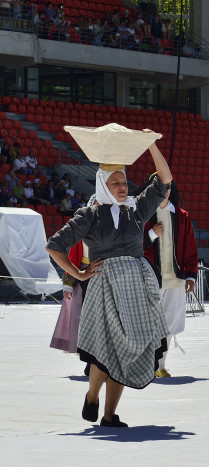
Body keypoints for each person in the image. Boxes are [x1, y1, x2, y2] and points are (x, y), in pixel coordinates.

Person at [46, 133, 174, 428]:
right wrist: (78, 274)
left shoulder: (136, 210)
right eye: (115, 182)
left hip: (137, 286)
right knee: (106, 350)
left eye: (125, 182)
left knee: (129, 350)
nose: (122, 187)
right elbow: (54, 245)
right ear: (103, 183)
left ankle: (109, 414)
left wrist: (150, 145)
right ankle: (92, 396)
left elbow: (164, 180)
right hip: (104, 287)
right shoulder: (90, 215)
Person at [141, 175, 198, 378]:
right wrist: (151, 235)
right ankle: (148, 363)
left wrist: (191, 276)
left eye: (167, 187)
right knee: (149, 322)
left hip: (175, 279)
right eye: (160, 187)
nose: (165, 191)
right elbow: (134, 244)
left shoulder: (182, 216)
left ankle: (161, 364)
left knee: (170, 321)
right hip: (150, 279)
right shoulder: (144, 214)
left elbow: (190, 247)